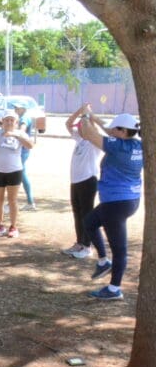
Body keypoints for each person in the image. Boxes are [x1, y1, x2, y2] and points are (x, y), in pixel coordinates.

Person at [78, 109, 143, 300]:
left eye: (115, 129)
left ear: (123, 131)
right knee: (89, 222)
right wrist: (95, 117)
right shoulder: (136, 145)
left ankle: (114, 289)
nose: (111, 131)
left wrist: (85, 116)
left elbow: (89, 134)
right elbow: (107, 132)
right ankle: (103, 261)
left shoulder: (118, 147)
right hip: (127, 200)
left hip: (116, 203)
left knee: (120, 249)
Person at [62, 104, 103, 259]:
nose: (79, 129)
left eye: (82, 126)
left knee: (86, 214)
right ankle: (80, 243)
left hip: (88, 181)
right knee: (77, 213)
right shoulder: (79, 139)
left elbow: (95, 130)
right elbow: (67, 123)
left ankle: (87, 246)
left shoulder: (94, 142)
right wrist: (80, 111)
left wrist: (88, 116)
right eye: (78, 126)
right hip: (76, 181)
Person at [0, 110, 33, 238]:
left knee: (12, 200)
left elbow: (30, 146)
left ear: (16, 123)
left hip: (14, 171)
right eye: (7, 120)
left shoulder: (20, 133)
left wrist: (16, 135)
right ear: (3, 122)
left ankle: (13, 227)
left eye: (12, 120)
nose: (9, 122)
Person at [15, 103, 38, 210]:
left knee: (20, 175)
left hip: (22, 150)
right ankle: (28, 201)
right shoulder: (24, 117)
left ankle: (29, 201)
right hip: (23, 150)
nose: (15, 109)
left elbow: (22, 130)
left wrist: (13, 132)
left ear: (23, 109)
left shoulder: (24, 118)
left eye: (17, 108)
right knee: (20, 175)